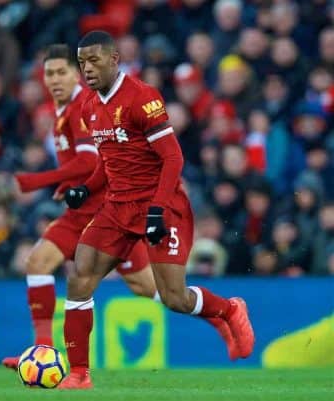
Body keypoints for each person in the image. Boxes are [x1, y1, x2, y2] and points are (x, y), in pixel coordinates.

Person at [59, 31, 254, 389]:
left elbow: (173, 157)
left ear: (114, 59)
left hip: (160, 204)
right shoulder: (89, 105)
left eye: (94, 60)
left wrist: (157, 211)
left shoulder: (142, 98)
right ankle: (79, 374)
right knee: (79, 277)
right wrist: (86, 189)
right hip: (117, 206)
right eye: (82, 62)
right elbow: (110, 159)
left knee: (174, 299)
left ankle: (230, 309)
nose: (87, 69)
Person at [1, 44, 157, 370]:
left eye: (62, 72)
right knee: (38, 263)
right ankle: (42, 351)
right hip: (80, 213)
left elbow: (89, 160)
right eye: (49, 73)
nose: (55, 79)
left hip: (107, 215)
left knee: (150, 289)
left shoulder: (81, 108)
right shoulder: (61, 110)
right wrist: (65, 184)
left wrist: (39, 179)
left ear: (76, 74)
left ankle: (219, 311)